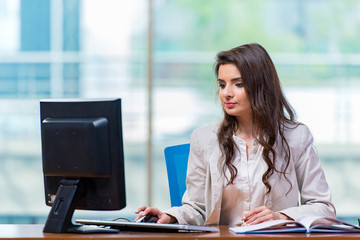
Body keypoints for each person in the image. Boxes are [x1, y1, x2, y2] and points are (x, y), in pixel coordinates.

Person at [135, 43, 336, 226]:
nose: (226, 93)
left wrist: (280, 217)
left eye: (238, 84)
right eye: (222, 84)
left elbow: (323, 208)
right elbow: (196, 208)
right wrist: (169, 216)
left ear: (261, 86)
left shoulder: (296, 136)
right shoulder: (203, 139)